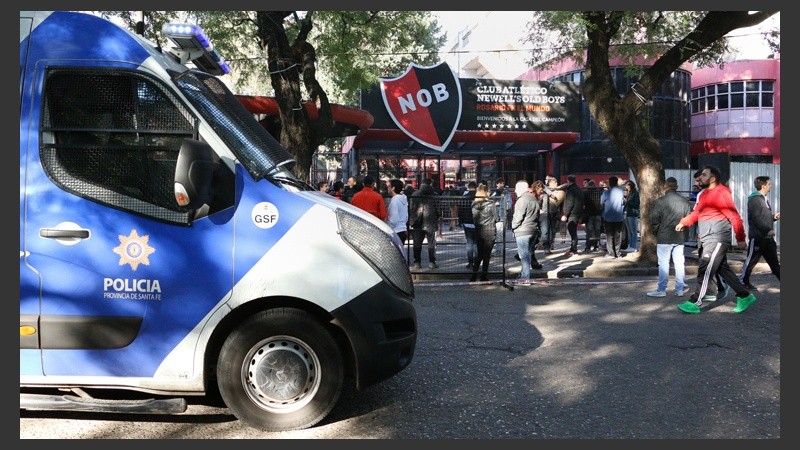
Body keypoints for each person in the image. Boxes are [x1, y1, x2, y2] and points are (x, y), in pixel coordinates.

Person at [675, 165, 755, 314]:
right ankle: (745, 296)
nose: (700, 178)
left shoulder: (721, 193)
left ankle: (695, 301)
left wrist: (741, 238)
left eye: (704, 175)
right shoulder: (705, 194)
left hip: (717, 238)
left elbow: (734, 216)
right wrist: (683, 222)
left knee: (705, 269)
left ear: (713, 179)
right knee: (722, 269)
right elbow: (697, 213)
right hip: (707, 237)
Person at [646, 177, 691, 297]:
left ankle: (661, 290)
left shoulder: (660, 201)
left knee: (664, 263)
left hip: (664, 236)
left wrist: (656, 231)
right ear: (676, 186)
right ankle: (680, 289)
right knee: (679, 263)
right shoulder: (684, 201)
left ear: (665, 186)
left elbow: (654, 219)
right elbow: (688, 218)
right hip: (679, 236)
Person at [739, 175, 780, 290]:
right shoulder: (755, 199)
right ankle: (742, 282)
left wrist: (774, 217)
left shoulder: (763, 199)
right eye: (769, 184)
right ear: (763, 186)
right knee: (750, 261)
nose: (770, 186)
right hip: (758, 237)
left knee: (775, 264)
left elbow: (763, 217)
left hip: (767, 238)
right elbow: (756, 218)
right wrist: (768, 230)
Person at [511, 180, 544, 281]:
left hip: (523, 231)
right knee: (527, 254)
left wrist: (513, 226)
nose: (515, 191)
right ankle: (523, 274)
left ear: (521, 189)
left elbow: (518, 217)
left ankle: (525, 277)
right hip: (533, 230)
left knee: (524, 255)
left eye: (516, 188)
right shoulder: (534, 199)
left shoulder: (522, 200)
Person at [409, 178, 440, 269]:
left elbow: (411, 209)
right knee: (431, 243)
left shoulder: (415, 194)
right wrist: (437, 217)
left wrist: (412, 219)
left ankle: (417, 262)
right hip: (431, 221)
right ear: (430, 184)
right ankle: (432, 262)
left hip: (417, 222)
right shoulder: (435, 195)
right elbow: (438, 209)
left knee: (417, 243)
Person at [470, 183, 499, 282]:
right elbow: (497, 218)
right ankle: (484, 275)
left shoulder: (473, 204)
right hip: (490, 230)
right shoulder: (491, 204)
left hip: (478, 230)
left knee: (479, 254)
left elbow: (474, 218)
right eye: (489, 191)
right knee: (487, 255)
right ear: (486, 192)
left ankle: (474, 275)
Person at [600, 176, 626, 259]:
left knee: (609, 235)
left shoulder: (606, 193)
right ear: (617, 183)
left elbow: (601, 203)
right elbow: (624, 202)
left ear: (610, 183)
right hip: (619, 216)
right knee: (618, 235)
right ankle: (618, 253)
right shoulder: (621, 192)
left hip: (608, 216)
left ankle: (611, 253)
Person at [560, 174, 584, 257]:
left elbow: (569, 202)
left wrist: (565, 214)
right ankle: (573, 249)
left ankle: (573, 249)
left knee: (572, 232)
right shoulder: (579, 189)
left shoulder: (571, 190)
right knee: (574, 232)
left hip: (572, 214)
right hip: (577, 213)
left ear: (568, 180)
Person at [540, 175, 563, 254]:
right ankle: (546, 246)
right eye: (554, 182)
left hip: (554, 212)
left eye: (556, 182)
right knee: (545, 230)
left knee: (553, 230)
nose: (556, 183)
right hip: (545, 212)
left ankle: (551, 244)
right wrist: (551, 194)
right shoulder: (545, 189)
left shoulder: (558, 190)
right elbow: (542, 186)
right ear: (550, 183)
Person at [458, 181, 478, 270]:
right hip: (478, 223)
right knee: (477, 243)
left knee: (469, 243)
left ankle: (470, 262)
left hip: (467, 222)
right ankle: (477, 261)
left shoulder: (464, 198)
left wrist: (461, 221)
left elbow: (460, 211)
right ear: (476, 187)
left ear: (468, 188)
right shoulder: (479, 197)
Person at [385, 178, 409, 244]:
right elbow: (406, 216)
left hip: (396, 231)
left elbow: (393, 219)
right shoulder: (403, 199)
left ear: (393, 188)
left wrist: (388, 227)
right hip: (402, 229)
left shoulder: (394, 200)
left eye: (389, 186)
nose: (388, 188)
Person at [582, 179, 603, 252]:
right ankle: (596, 246)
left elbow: (583, 203)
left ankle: (588, 246)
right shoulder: (599, 192)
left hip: (589, 214)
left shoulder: (586, 193)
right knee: (597, 230)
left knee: (589, 231)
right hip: (598, 214)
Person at [623, 180, 640, 252]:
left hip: (632, 214)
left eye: (628, 186)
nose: (626, 187)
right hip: (627, 213)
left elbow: (636, 204)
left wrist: (627, 201)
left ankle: (633, 246)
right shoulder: (629, 193)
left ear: (631, 186)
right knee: (629, 231)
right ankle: (630, 245)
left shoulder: (635, 193)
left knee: (633, 231)